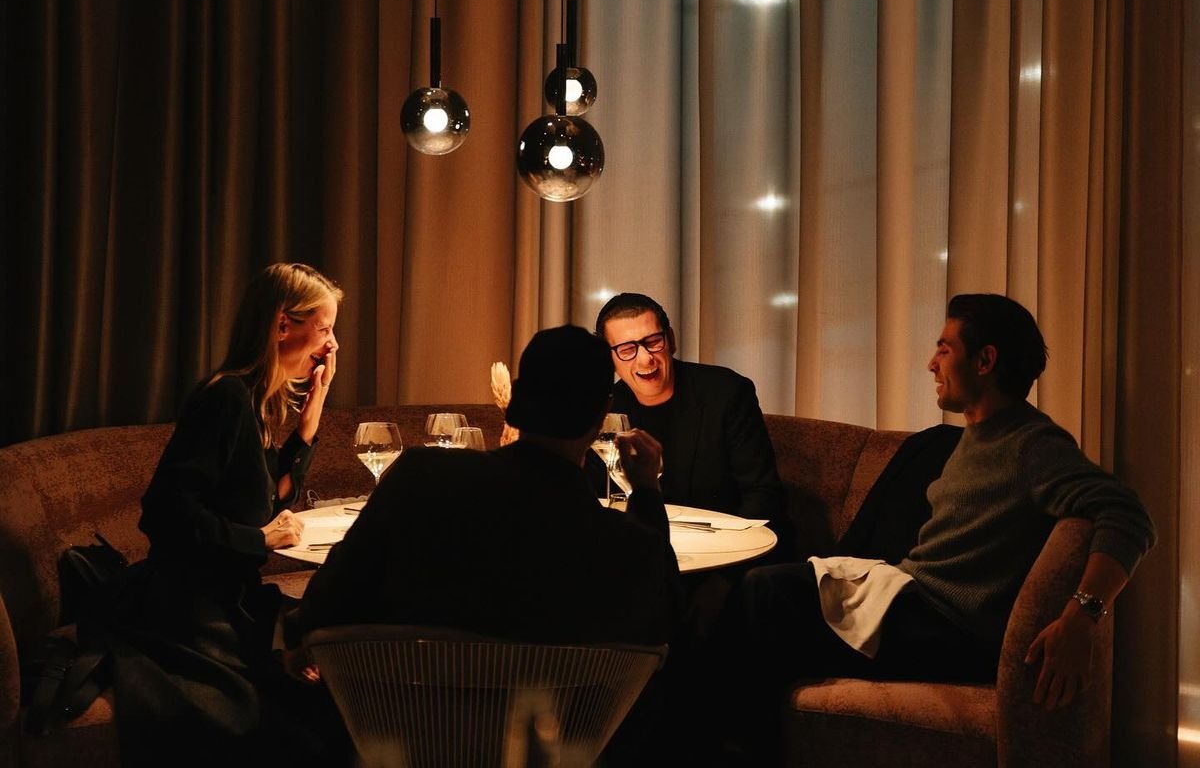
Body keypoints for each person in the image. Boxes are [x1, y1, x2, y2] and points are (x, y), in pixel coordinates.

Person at [738, 294, 1156, 756]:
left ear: (985, 361)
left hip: (949, 626)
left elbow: (1128, 514)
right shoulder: (977, 436)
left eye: (944, 349)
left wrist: (1080, 619)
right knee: (750, 612)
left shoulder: (1034, 444)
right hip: (915, 603)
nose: (931, 364)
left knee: (765, 595)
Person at [286, 323, 680, 652]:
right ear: (601, 416)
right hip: (558, 736)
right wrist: (645, 490)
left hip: (404, 724)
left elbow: (325, 604)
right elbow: (660, 624)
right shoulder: (620, 542)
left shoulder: (419, 477)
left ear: (516, 401)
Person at [104, 262, 345, 763]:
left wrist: (310, 418)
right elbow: (164, 515)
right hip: (189, 608)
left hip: (227, 598)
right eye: (324, 328)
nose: (332, 345)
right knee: (300, 721)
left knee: (327, 674)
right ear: (283, 325)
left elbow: (269, 499)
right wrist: (259, 541)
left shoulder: (254, 400)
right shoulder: (226, 398)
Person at [593, 292, 788, 534]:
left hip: (728, 548)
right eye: (627, 349)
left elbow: (762, 495)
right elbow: (594, 498)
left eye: (653, 341)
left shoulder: (727, 392)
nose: (645, 359)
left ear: (671, 340)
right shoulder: (604, 408)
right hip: (643, 549)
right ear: (609, 357)